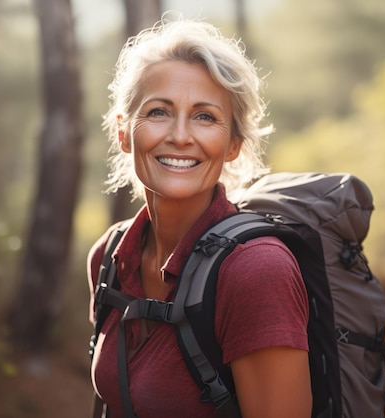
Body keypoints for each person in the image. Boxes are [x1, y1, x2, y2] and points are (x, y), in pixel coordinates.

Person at [87, 16, 312, 418]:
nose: (180, 135)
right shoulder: (109, 256)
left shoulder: (256, 271)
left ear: (232, 145)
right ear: (124, 131)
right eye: (158, 111)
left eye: (205, 116)